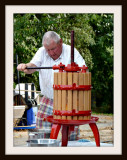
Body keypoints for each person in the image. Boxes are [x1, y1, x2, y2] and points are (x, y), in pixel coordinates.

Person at [17, 31, 87, 140]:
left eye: (53, 49)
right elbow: (32, 67)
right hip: (48, 99)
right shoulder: (42, 52)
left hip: (69, 100)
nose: (51, 53)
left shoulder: (71, 52)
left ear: (61, 42)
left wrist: (73, 72)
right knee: (40, 133)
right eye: (48, 50)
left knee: (71, 135)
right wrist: (25, 66)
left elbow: (84, 71)